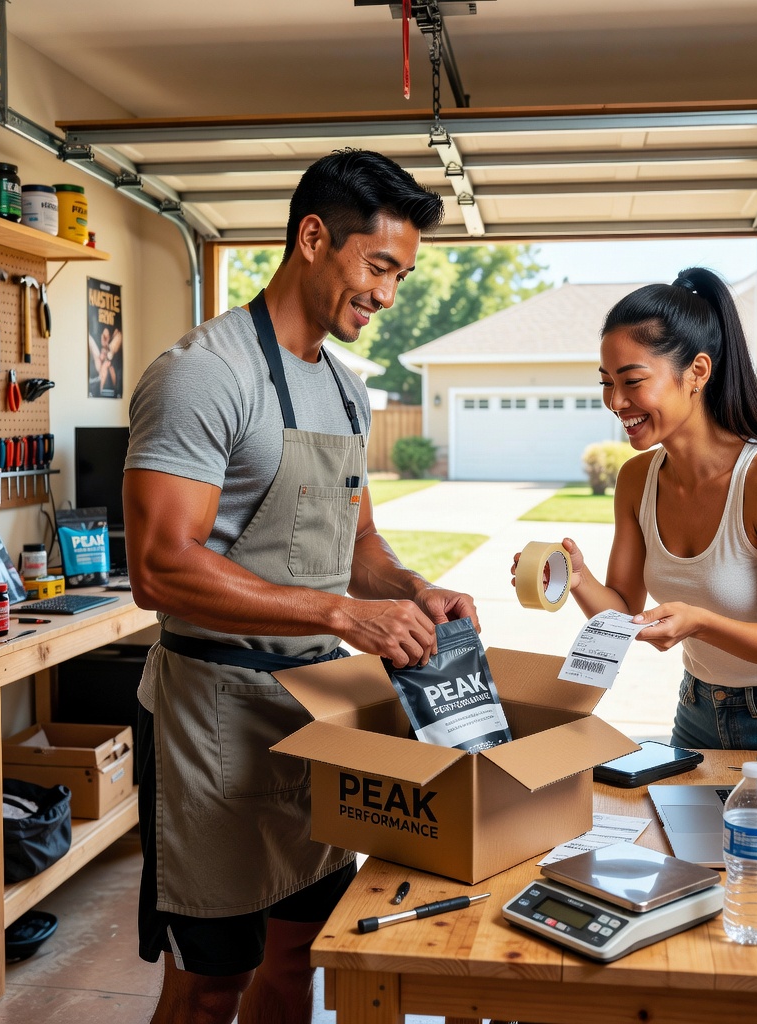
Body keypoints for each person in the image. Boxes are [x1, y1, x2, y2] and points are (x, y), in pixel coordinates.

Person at [123, 149, 478, 1024]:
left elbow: (355, 542)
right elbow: (160, 565)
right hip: (212, 724)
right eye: (379, 266)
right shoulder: (206, 373)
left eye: (399, 274)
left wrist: (411, 587)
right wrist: (338, 612)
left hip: (313, 716)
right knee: (211, 986)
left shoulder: (346, 392)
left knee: (300, 963)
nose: (388, 294)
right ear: (314, 237)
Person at [515, 267, 757, 752]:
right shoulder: (637, 479)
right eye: (606, 382)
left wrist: (702, 622)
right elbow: (624, 610)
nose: (616, 401)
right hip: (698, 707)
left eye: (633, 381)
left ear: (698, 373)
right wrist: (577, 579)